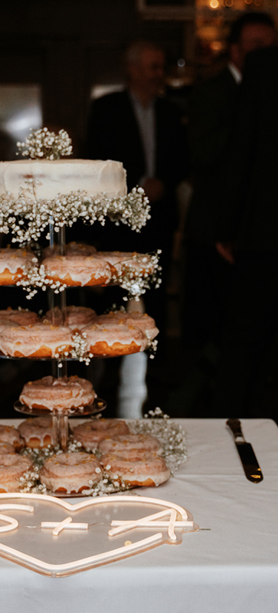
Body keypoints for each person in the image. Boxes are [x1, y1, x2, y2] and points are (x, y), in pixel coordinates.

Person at [85, 40, 190, 417]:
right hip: (119, 221)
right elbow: (97, 158)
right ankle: (110, 369)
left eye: (161, 66)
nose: (157, 74)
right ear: (131, 69)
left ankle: (156, 370)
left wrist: (164, 180)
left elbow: (183, 158)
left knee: (157, 295)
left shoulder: (171, 111)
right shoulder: (107, 108)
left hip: (159, 218)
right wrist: (132, 188)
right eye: (151, 66)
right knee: (114, 297)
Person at [179, 13, 275, 414]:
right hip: (228, 232)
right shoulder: (214, 90)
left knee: (246, 343)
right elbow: (213, 154)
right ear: (234, 49)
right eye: (255, 44)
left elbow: (242, 156)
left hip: (255, 231)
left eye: (267, 43)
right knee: (218, 332)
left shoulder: (263, 74)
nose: (262, 51)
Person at [210, 44, 278, 420]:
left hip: (267, 232)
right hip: (266, 233)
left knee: (245, 344)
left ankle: (236, 439)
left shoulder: (265, 64)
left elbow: (242, 148)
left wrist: (228, 226)